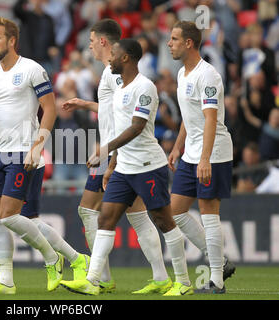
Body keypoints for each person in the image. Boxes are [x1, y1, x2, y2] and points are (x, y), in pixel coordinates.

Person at [0, 17, 89, 294]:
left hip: (24, 152)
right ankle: (7, 280)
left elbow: (50, 110)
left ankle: (53, 259)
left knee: (8, 216)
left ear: (12, 41)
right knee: (2, 219)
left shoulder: (32, 69)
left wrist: (37, 147)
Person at [60, 39, 192, 296]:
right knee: (105, 219)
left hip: (148, 166)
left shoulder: (145, 88)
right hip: (124, 169)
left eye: (115, 54)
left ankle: (184, 282)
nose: (110, 59)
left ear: (127, 58)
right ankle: (94, 280)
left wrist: (105, 148)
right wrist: (112, 164)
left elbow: (137, 127)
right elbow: (121, 128)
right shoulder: (120, 90)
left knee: (164, 221)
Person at [167, 21, 236, 294]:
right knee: (176, 211)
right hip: (191, 152)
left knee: (209, 213)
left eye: (174, 39)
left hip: (214, 151)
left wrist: (205, 158)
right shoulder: (182, 74)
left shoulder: (208, 75)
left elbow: (210, 119)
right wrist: (177, 146)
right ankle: (221, 259)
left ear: (189, 43)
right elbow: (189, 116)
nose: (169, 43)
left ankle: (217, 280)